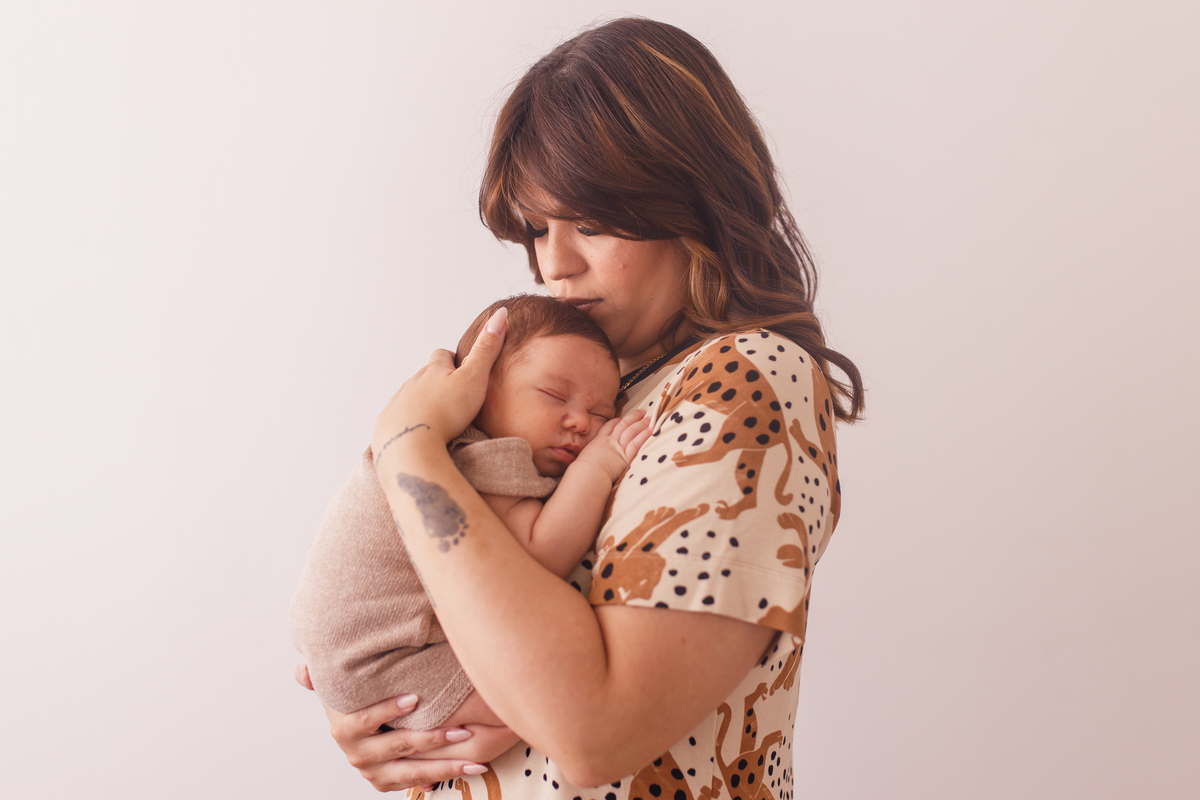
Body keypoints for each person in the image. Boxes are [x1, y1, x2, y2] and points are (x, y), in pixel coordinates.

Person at [297, 16, 865, 796]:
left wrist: (407, 448)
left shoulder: (744, 380)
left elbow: (594, 730)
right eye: (536, 229)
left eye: (591, 223)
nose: (552, 265)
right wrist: (386, 705)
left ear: (692, 200)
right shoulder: (606, 394)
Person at [291, 295, 650, 752]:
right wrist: (597, 467)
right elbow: (537, 557)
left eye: (601, 414)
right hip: (382, 657)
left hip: (347, 648)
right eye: (555, 396)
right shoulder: (482, 452)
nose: (581, 421)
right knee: (540, 707)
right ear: (479, 389)